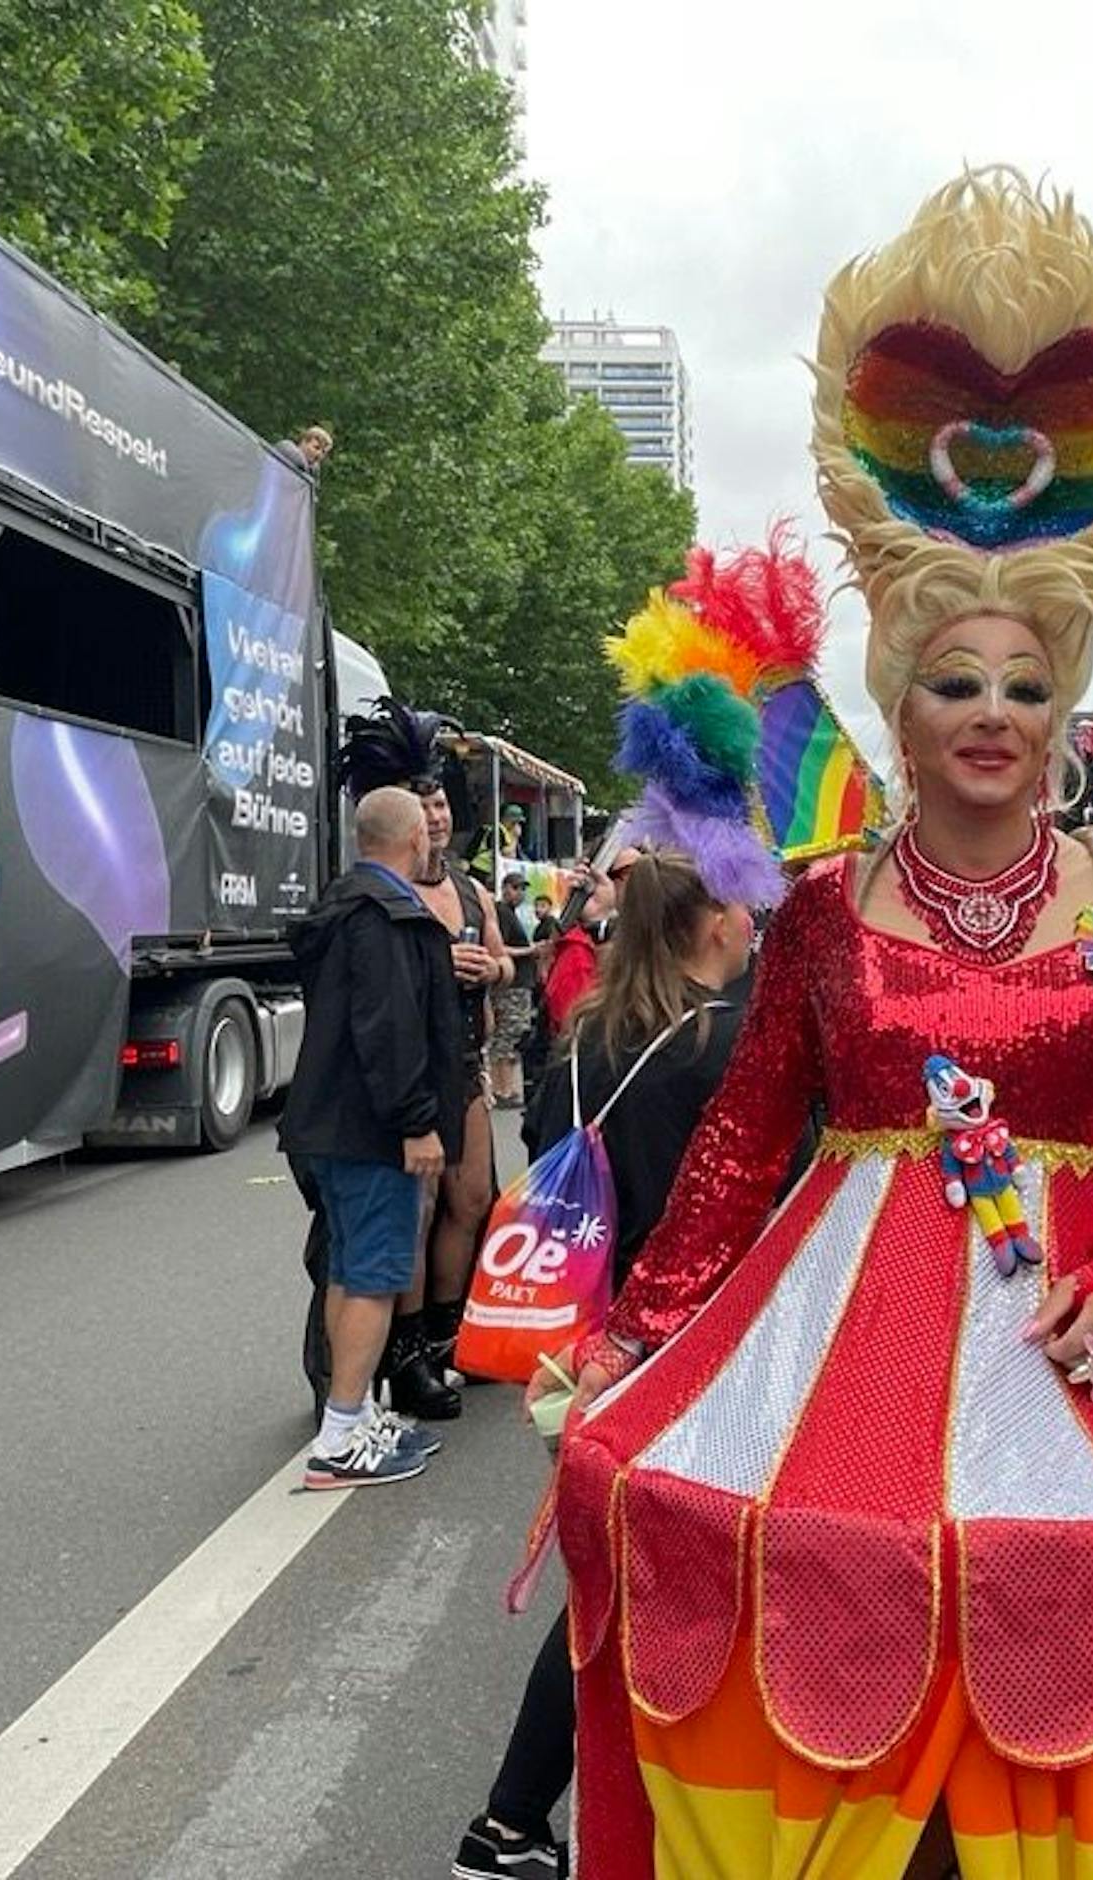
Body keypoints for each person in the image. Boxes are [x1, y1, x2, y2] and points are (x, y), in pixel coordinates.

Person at [537, 172, 1093, 1879]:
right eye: (957, 681)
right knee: (833, 1657)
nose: (993, 717)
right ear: (902, 696)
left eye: (1028, 687)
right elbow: (740, 1142)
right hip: (839, 1356)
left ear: (1063, 707)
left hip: (1085, 1352)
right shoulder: (818, 912)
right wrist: (639, 1324)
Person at [453, 851, 761, 1880]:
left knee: (614, 1576)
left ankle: (529, 1818)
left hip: (581, 1339)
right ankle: (513, 1821)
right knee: (644, 1588)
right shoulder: (721, 1048)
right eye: (743, 903)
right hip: (691, 1341)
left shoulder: (583, 1040)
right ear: (710, 924)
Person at [279, 787, 463, 1487]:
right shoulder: (386, 918)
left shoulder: (343, 907)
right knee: (375, 1277)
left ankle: (347, 1418)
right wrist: (418, 1121)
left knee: (350, 1271)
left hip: (332, 1123)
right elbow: (390, 1031)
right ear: (415, 836)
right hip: (375, 1130)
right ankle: (342, 1435)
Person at [339, 698, 514, 1420]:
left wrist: (489, 971)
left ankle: (448, 1333)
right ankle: (406, 1354)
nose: (435, 817)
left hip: (465, 1065)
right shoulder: (389, 890)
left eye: (440, 802)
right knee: (416, 1210)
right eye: (422, 805)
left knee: (470, 1201)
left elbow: (507, 966)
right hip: (414, 1071)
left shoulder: (471, 890)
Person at [488, 871, 538, 1108]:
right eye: (515, 888)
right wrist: (530, 950)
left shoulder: (508, 914)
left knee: (506, 1035)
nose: (519, 893)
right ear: (505, 888)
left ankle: (502, 1088)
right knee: (509, 1035)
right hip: (512, 985)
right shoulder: (502, 913)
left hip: (514, 983)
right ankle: (503, 1089)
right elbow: (500, 948)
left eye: (521, 889)